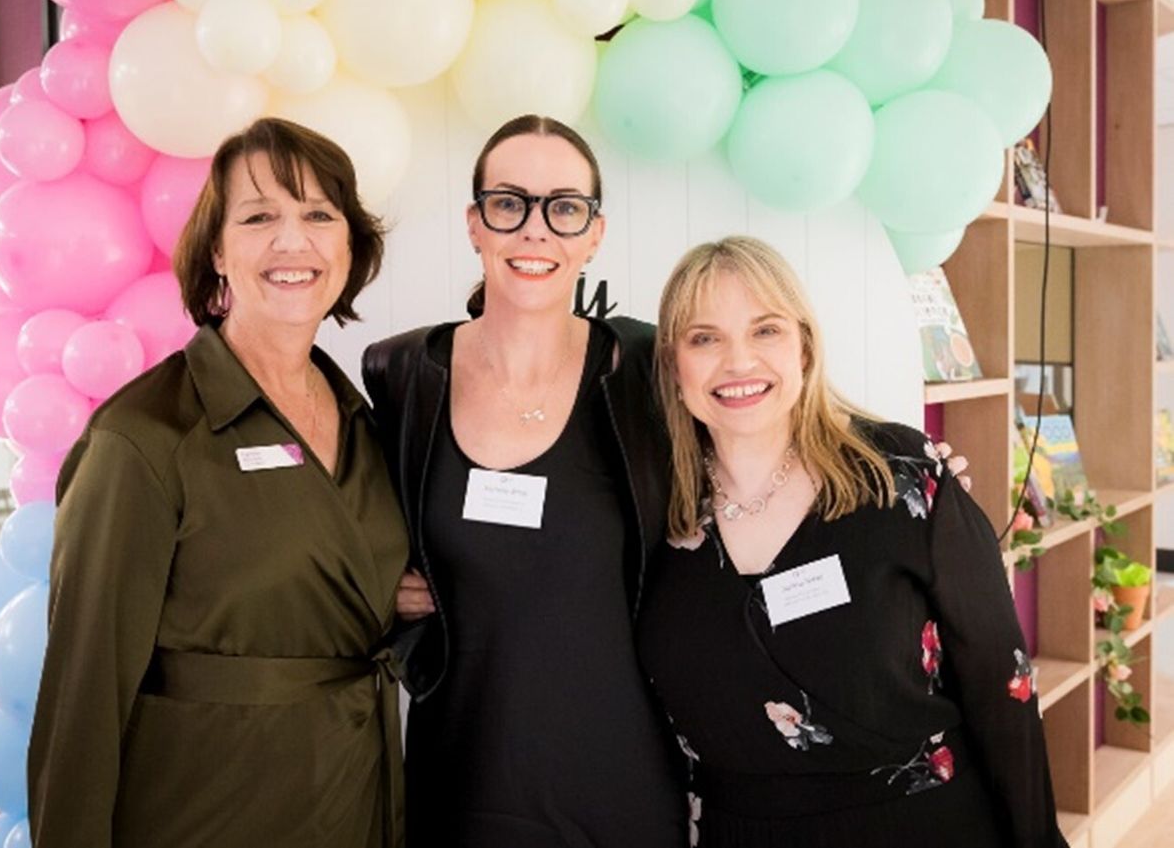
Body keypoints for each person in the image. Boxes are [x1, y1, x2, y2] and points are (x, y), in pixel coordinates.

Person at [28, 118, 409, 848]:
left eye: (319, 215)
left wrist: (395, 593)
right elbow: (82, 699)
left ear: (350, 246)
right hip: (208, 812)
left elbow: (311, 578)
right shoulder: (142, 438)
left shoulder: (365, 419)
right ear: (217, 251)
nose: (293, 242)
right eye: (260, 217)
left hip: (354, 797)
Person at [637, 236, 1067, 848]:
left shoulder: (900, 475)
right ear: (672, 365)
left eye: (765, 331)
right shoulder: (652, 509)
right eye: (704, 338)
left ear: (804, 347)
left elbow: (1002, 684)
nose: (738, 361)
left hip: (924, 829)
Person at [363, 115, 684, 847]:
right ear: (475, 224)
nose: (535, 229)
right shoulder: (402, 374)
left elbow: (767, 431)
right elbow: (336, 526)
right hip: (460, 775)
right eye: (509, 203)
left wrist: (905, 466)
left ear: (594, 234)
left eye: (564, 207)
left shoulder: (646, 368)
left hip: (620, 780)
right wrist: (376, 583)